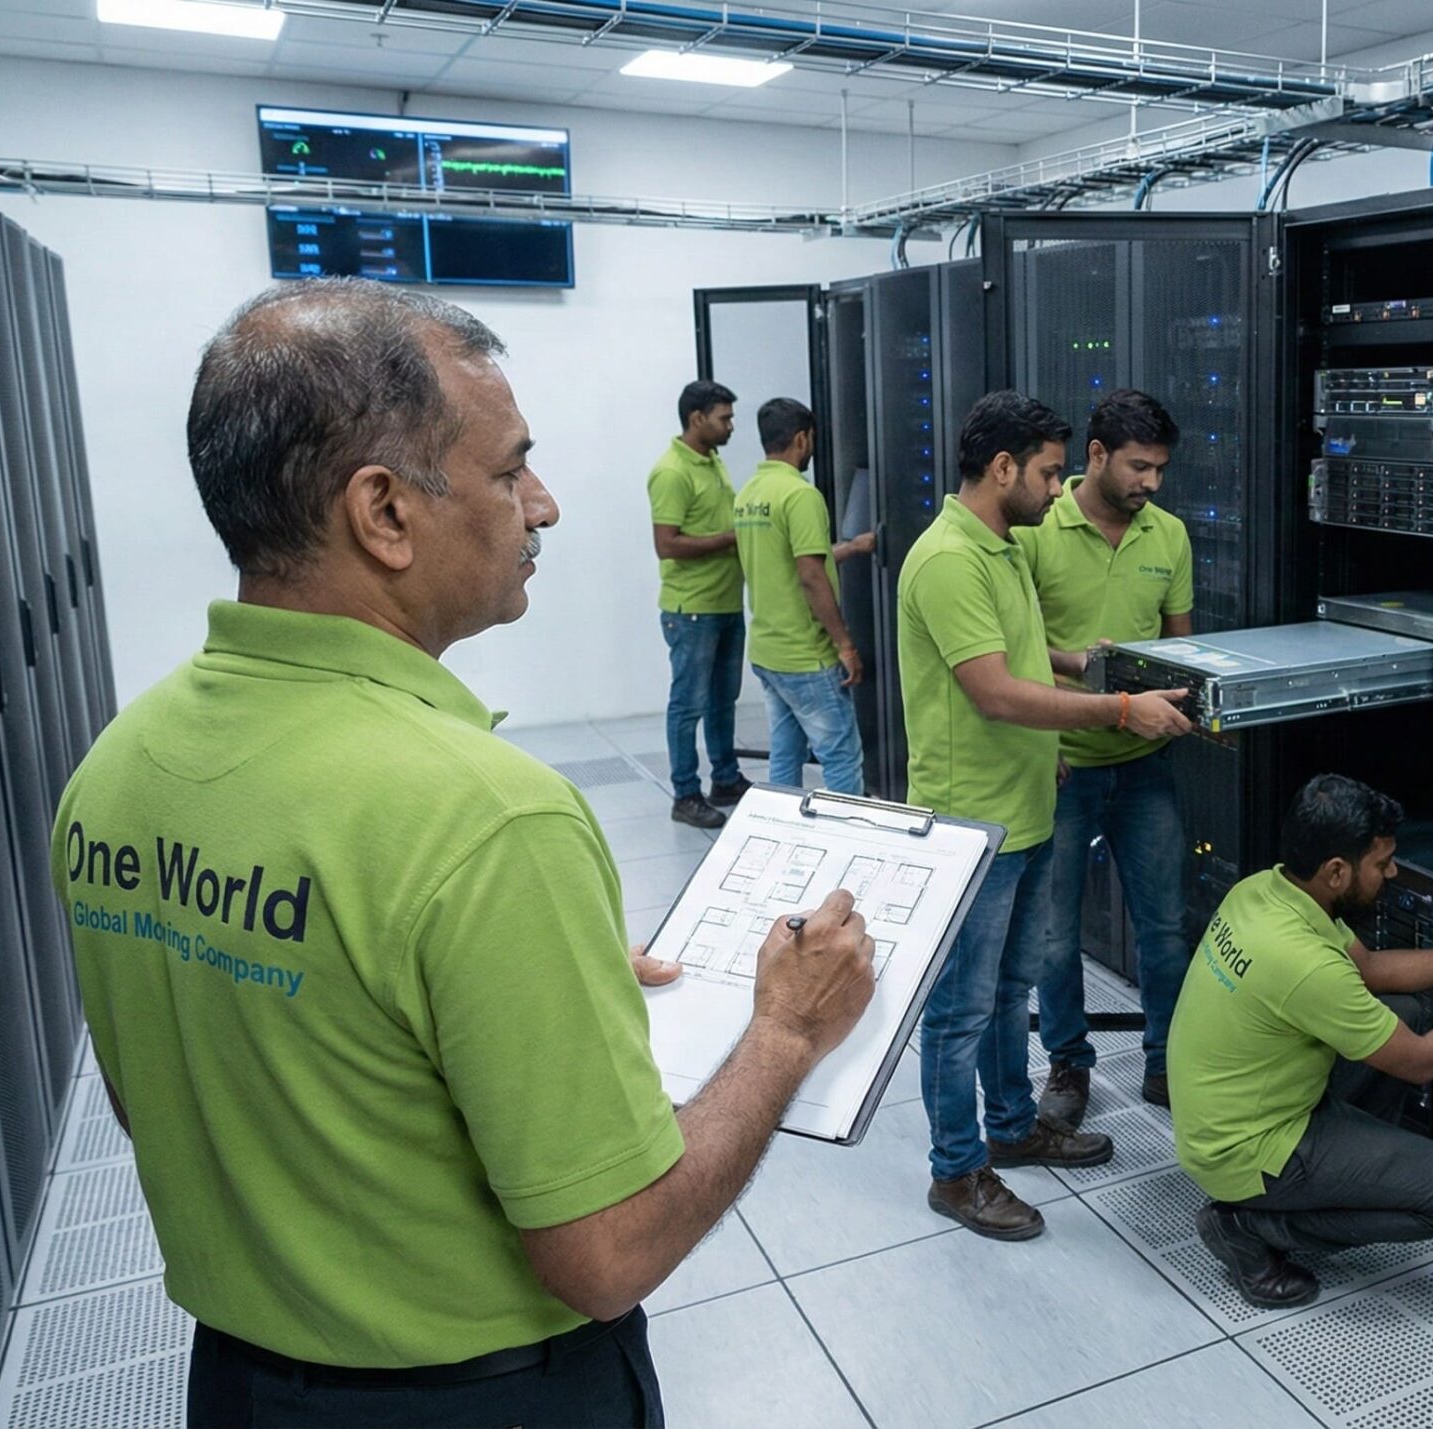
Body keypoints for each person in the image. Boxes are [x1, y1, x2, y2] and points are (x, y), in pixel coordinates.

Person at [52, 278, 879, 1427]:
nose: (540, 506)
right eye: (507, 470)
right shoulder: (486, 819)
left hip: (237, 1386)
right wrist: (786, 1030)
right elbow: (608, 1250)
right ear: (383, 512)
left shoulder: (115, 769)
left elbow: (190, 1095)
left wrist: (508, 981)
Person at [896, 389, 1195, 1240]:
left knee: (1005, 994)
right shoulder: (950, 557)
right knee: (961, 1013)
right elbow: (991, 691)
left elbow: (1018, 650)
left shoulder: (1000, 546)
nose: (1057, 488)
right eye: (1049, 471)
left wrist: (1085, 664)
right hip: (972, 822)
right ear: (1003, 469)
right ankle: (957, 1171)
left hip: (1024, 805)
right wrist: (1116, 714)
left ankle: (1011, 1124)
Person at [1168, 775, 1433, 1309]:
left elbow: (1370, 969)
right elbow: (1421, 1064)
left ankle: (1344, 1166)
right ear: (1335, 872)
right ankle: (1252, 1225)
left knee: (1407, 1012)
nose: (1392, 872)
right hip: (1245, 1150)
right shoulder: (1303, 964)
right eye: (1382, 863)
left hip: (1226, 1112)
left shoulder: (1261, 890)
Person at [1014, 388, 1196, 1124]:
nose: (1151, 483)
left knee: (1165, 924)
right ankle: (1068, 1064)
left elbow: (1183, 650)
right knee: (1055, 935)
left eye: (1159, 469)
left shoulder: (1169, 535)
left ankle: (1168, 1060)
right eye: (1138, 466)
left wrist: (1197, 705)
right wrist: (1038, 739)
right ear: (1095, 455)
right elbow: (1014, 651)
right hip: (1061, 763)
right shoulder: (1034, 531)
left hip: (1142, 761)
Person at [734, 397, 877, 795]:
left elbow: (787, 558)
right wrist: (844, 644)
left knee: (785, 755)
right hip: (806, 655)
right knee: (842, 756)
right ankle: (849, 842)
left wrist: (852, 547)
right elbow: (810, 574)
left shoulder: (749, 494)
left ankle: (785, 835)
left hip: (768, 650)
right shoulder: (800, 495)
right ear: (801, 438)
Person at [649, 378, 747, 829]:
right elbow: (666, 545)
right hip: (691, 608)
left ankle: (725, 779)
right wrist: (731, 538)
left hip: (725, 601)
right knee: (688, 703)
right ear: (697, 419)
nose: (731, 426)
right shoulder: (672, 471)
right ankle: (685, 794)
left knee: (723, 698)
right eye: (724, 418)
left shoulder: (712, 460)